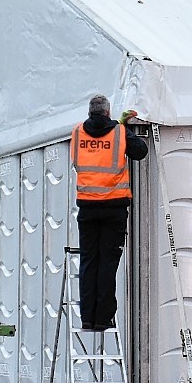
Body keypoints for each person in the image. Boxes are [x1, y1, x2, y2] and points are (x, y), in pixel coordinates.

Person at [70, 94, 149, 331]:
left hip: (87, 207)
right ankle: (103, 318)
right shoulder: (119, 132)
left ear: (89, 112)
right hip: (113, 208)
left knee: (89, 262)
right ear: (107, 112)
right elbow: (140, 151)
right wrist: (123, 126)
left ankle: (87, 317)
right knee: (107, 265)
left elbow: (77, 162)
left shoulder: (77, 132)